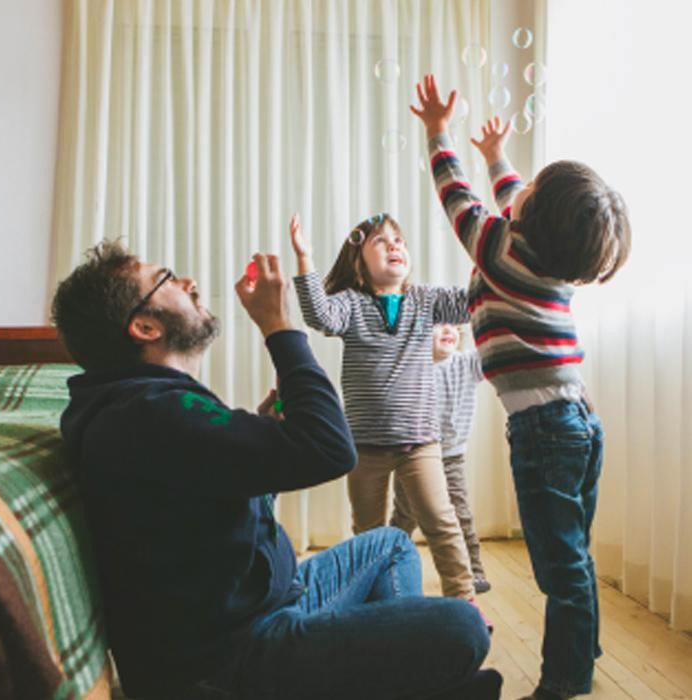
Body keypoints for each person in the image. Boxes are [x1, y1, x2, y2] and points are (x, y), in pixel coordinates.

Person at [51, 241, 502, 700]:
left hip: (273, 601)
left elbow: (213, 500)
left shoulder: (144, 407)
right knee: (464, 627)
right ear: (144, 326)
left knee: (391, 546)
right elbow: (331, 448)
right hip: (235, 657)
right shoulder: (153, 411)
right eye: (166, 279)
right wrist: (278, 325)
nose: (189, 284)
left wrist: (264, 435)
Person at [410, 74, 631, 700]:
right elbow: (514, 197)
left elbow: (459, 199)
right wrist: (498, 157)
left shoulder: (501, 251)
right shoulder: (545, 256)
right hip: (577, 422)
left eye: (528, 192)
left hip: (545, 430)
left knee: (559, 568)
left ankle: (565, 681)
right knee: (574, 557)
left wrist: (439, 134)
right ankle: (582, 646)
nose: (517, 190)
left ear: (530, 219)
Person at [290, 212, 482, 605]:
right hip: (365, 447)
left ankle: (465, 603)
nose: (395, 245)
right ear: (359, 264)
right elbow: (318, 316)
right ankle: (376, 606)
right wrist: (305, 260)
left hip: (421, 442)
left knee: (442, 523)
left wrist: (489, 256)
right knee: (369, 533)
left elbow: (471, 305)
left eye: (400, 240)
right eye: (381, 241)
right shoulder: (349, 304)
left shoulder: (425, 300)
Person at [392, 323, 491, 594]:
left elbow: (490, 348)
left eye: (452, 326)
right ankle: (386, 566)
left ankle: (473, 570)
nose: (447, 330)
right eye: (437, 326)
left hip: (451, 456)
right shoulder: (412, 367)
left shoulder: (467, 363)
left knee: (460, 513)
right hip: (413, 456)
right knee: (405, 514)